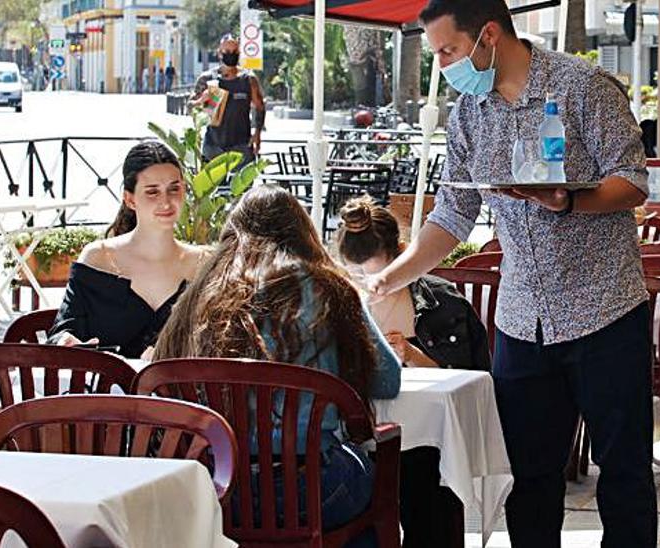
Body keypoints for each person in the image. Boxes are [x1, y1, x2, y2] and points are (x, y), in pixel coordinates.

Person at [371, 1, 658, 546]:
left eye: (449, 51)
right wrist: (392, 276)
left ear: (488, 36)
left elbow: (633, 181)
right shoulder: (468, 115)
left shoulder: (583, 87)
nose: (444, 65)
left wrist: (569, 202)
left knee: (624, 475)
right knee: (527, 480)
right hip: (523, 322)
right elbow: (451, 216)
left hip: (605, 310)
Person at [152, 185, 401, 545]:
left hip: (218, 488)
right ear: (302, 232)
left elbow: (162, 380)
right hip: (313, 486)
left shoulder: (202, 293)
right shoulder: (328, 288)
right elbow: (387, 380)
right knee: (369, 496)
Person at [335, 197, 489, 548]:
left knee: (426, 486)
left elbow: (467, 383)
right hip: (358, 441)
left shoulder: (441, 303)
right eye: (355, 276)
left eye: (378, 276)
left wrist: (412, 354)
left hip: (427, 441)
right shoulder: (339, 305)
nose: (368, 286)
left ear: (402, 257)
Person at [48, 142, 210, 359]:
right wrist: (65, 341)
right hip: (108, 382)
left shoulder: (204, 264)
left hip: (180, 382)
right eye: (152, 192)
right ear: (130, 199)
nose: (166, 202)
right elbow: (62, 331)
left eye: (174, 189)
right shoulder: (98, 259)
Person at [193, 34, 266, 164]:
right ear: (219, 53)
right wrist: (201, 100)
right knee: (213, 178)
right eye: (227, 51)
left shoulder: (248, 79)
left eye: (234, 51)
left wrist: (257, 133)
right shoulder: (207, 79)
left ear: (239, 53)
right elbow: (190, 106)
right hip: (213, 146)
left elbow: (259, 106)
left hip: (241, 146)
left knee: (243, 178)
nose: (231, 55)